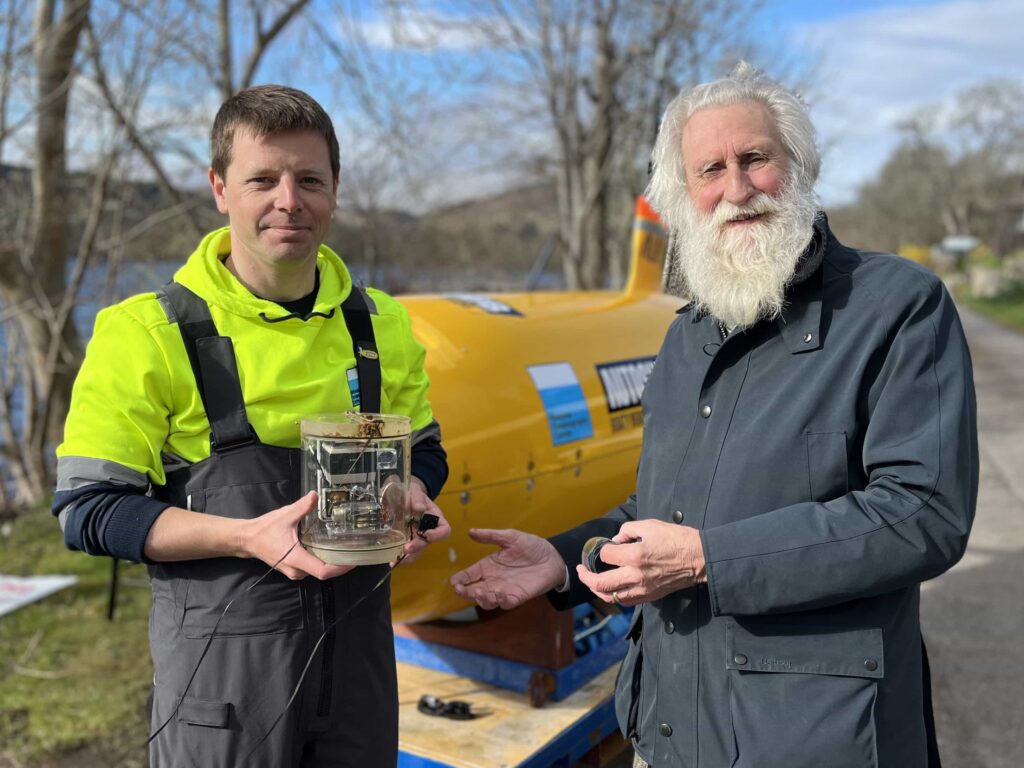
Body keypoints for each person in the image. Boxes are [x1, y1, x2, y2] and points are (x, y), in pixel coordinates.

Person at [451, 62, 977, 768]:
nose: (736, 189)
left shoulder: (896, 306)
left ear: (798, 168)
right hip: (671, 728)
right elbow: (664, 509)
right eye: (710, 170)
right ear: (684, 197)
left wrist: (708, 561)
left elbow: (922, 513)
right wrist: (566, 562)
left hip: (816, 738)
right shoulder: (687, 335)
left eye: (755, 159)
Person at [53, 84, 451, 767]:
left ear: (335, 189)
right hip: (223, 694)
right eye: (263, 179)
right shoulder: (147, 332)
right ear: (219, 188)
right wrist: (243, 537)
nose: (288, 201)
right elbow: (89, 511)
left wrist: (412, 493)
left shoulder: (380, 322)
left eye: (309, 180)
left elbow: (426, 449)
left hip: (360, 679)